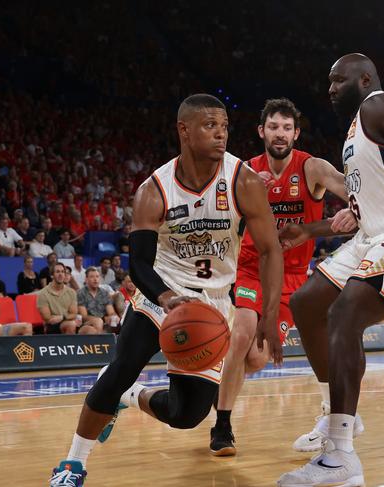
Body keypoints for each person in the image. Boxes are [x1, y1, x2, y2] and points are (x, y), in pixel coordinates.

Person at [49, 94, 283, 486]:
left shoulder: (243, 180)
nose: (221, 134)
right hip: (162, 294)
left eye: (224, 126)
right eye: (210, 126)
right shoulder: (154, 190)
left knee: (186, 415)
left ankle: (132, 398)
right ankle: (72, 464)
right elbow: (138, 263)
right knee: (122, 368)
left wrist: (270, 314)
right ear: (184, 130)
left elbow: (270, 249)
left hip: (213, 304)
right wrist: (167, 299)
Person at [277, 54, 384, 486]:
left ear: (364, 78)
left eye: (338, 80)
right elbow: (360, 215)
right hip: (373, 237)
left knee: (344, 314)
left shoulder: (378, 104)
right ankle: (335, 415)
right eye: (328, 81)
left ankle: (340, 458)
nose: (330, 88)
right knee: (307, 304)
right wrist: (311, 231)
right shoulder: (357, 130)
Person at [211, 98, 355, 456]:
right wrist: (238, 195)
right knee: (243, 332)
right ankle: (222, 426)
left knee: (256, 359)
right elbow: (219, 221)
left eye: (287, 128)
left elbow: (359, 202)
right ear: (262, 131)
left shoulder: (314, 169)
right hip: (250, 266)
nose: (280, 133)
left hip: (291, 277)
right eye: (273, 127)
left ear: (296, 133)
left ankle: (214, 386)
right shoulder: (244, 171)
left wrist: (316, 228)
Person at [37, 262, 85, 335]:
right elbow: (48, 318)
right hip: (52, 326)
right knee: (71, 324)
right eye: (57, 272)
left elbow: (74, 314)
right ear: (52, 275)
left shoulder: (71, 292)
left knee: (90, 330)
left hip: (68, 321)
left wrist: (62, 317)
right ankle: (70, 346)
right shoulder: (43, 294)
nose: (61, 274)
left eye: (62, 272)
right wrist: (67, 316)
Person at [77, 267, 116, 333]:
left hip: (103, 323)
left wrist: (113, 317)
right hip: (86, 324)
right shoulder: (81, 293)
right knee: (96, 324)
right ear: (86, 279)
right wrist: (101, 320)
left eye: (97, 277)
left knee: (115, 322)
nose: (95, 279)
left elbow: (111, 312)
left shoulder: (104, 293)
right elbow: (84, 316)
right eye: (92, 277)